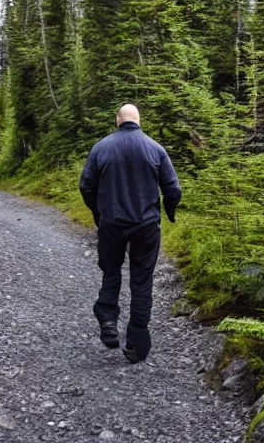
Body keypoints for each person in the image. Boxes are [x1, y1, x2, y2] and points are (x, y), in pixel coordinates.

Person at [79, 104, 182, 363]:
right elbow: (173, 189)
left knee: (111, 271)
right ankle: (137, 338)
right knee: (142, 280)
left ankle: (107, 316)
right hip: (146, 226)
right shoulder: (155, 148)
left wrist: (98, 213)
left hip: (112, 223)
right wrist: (169, 212)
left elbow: (86, 185)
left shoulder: (101, 148)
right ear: (138, 120)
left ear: (118, 120)